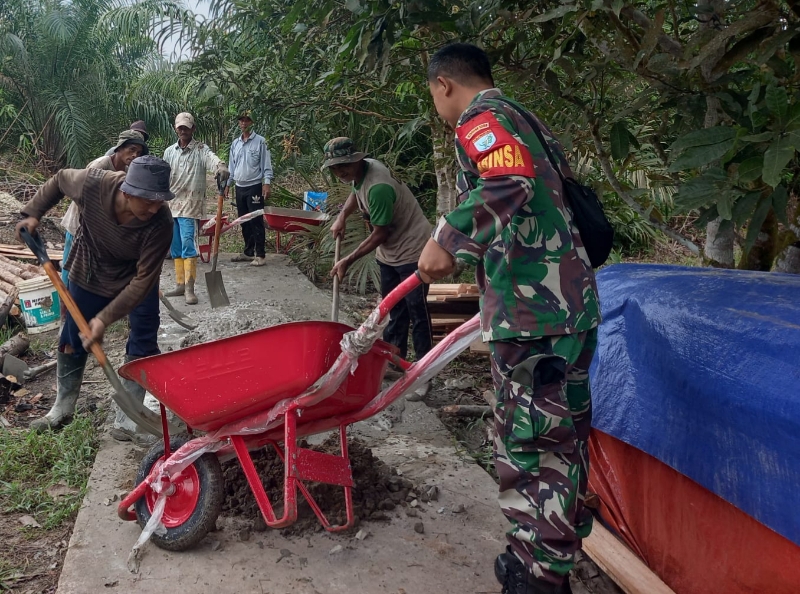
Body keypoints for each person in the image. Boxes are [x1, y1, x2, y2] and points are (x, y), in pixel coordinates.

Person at [419, 43, 601, 594]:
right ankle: (556, 556)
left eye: (434, 96)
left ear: (444, 85)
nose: (438, 106)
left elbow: (509, 184)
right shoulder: (526, 118)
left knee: (531, 444)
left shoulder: (480, 119)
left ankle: (538, 576)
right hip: (572, 305)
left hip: (532, 313)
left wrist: (446, 239)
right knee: (565, 438)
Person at [20, 156, 174, 441]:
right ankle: (63, 405)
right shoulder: (93, 184)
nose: (155, 207)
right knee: (72, 336)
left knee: (144, 338)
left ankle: (129, 418)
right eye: (148, 201)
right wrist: (33, 212)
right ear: (127, 191)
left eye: (160, 200)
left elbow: (142, 282)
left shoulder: (161, 222)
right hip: (89, 269)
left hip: (135, 279)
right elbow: (60, 179)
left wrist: (103, 320)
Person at [324, 137, 434, 392]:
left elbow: (379, 233)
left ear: (357, 159)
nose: (340, 171)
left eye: (345, 165)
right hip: (391, 253)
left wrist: (347, 260)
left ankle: (425, 373)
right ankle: (395, 361)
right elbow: (355, 191)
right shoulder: (362, 173)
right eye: (335, 167)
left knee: (417, 312)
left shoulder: (379, 187)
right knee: (391, 309)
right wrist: (342, 216)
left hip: (413, 250)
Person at [60, 130, 148, 286]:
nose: (135, 155)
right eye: (131, 149)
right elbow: (81, 193)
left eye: (139, 152)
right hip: (79, 224)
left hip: (97, 229)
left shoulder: (127, 172)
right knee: (70, 267)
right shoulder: (100, 165)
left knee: (86, 271)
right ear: (120, 148)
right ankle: (64, 305)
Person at [162, 112, 229, 304]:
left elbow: (213, 159)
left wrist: (221, 166)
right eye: (180, 127)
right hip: (171, 205)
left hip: (190, 207)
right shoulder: (169, 152)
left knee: (188, 246)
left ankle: (190, 289)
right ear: (176, 128)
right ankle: (180, 284)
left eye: (186, 127)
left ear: (193, 128)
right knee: (175, 247)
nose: (183, 130)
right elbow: (163, 177)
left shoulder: (201, 149)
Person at [225, 111, 273, 266]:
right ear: (239, 123)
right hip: (240, 187)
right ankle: (248, 251)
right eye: (241, 120)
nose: (244, 123)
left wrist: (266, 183)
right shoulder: (235, 143)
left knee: (256, 220)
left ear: (252, 123)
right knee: (244, 220)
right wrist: (228, 184)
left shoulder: (261, 142)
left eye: (247, 120)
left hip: (254, 186)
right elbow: (232, 166)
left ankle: (260, 254)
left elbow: (266, 164)